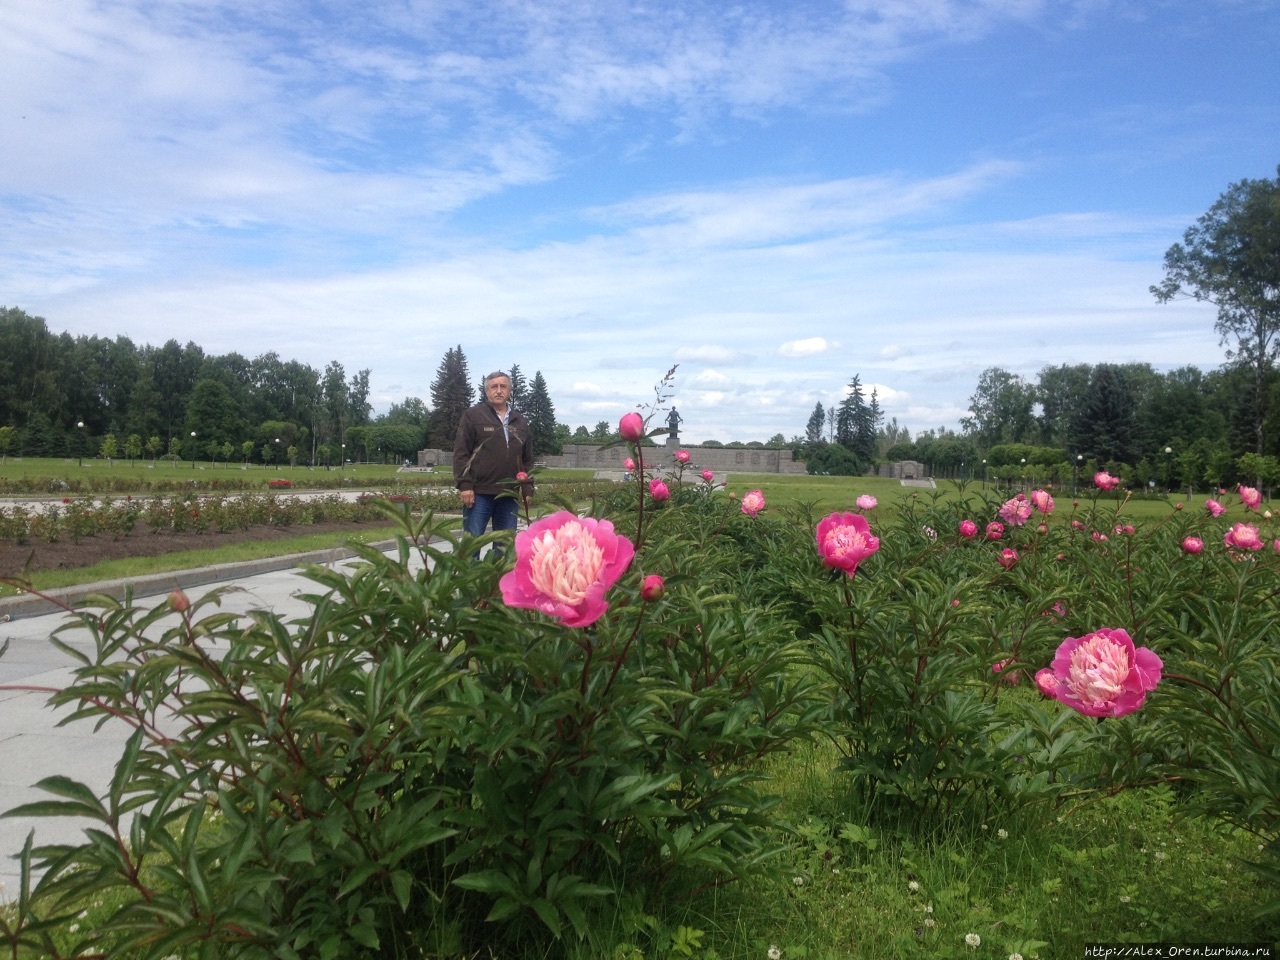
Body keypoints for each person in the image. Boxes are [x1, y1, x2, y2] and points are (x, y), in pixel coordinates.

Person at [453, 370, 534, 550]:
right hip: (479, 493)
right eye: (494, 387)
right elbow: (460, 453)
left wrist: (527, 487)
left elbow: (527, 458)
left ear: (510, 390)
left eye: (503, 386)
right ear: (487, 391)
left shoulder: (520, 421)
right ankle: (469, 578)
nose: (498, 390)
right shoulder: (473, 416)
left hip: (509, 494)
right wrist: (464, 485)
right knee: (470, 546)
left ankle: (498, 579)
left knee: (504, 548)